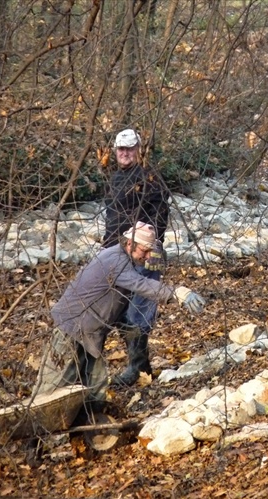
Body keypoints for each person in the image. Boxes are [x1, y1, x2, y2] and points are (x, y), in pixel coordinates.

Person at [32, 222, 205, 413]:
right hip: (71, 328)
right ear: (130, 244)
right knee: (53, 388)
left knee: (94, 387)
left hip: (88, 331)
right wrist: (177, 293)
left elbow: (113, 299)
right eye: (144, 251)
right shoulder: (117, 262)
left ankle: (90, 423)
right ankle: (36, 428)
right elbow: (141, 284)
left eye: (149, 251)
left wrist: (125, 324)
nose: (147, 256)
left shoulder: (119, 255)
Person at [102, 128, 170, 386]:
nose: (125, 153)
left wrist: (144, 246)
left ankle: (136, 369)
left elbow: (159, 219)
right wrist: (107, 248)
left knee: (140, 309)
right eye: (121, 149)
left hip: (145, 252)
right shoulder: (116, 177)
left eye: (130, 149)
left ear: (139, 150)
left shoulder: (150, 179)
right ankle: (141, 367)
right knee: (118, 308)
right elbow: (113, 219)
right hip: (117, 252)